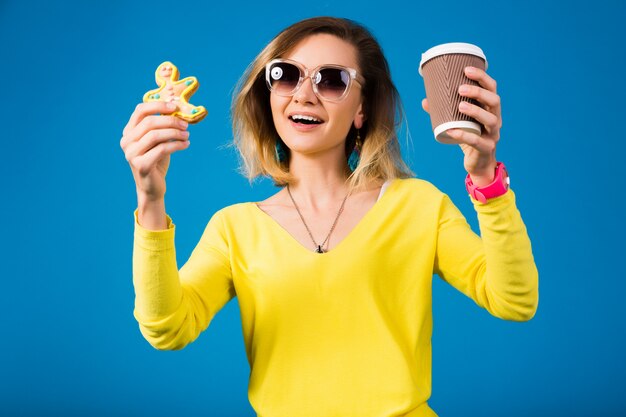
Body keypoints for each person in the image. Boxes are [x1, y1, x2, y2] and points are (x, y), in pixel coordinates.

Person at [120, 16, 538, 417]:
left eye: (332, 79)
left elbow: (513, 300)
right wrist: (151, 198)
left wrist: (485, 175)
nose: (303, 94)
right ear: (269, 96)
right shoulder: (235, 229)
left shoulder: (419, 206)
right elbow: (167, 328)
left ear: (361, 109)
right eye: (285, 75)